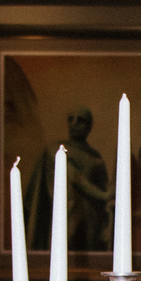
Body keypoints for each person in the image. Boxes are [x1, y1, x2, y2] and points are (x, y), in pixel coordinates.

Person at [24, 107, 112, 251]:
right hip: (66, 221)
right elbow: (74, 176)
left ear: (89, 126)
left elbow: (104, 191)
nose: (74, 123)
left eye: (80, 120)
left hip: (92, 225)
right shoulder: (56, 150)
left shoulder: (95, 158)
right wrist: (103, 195)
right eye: (71, 119)